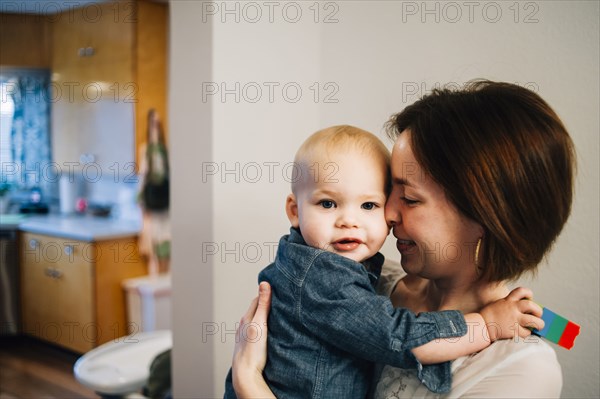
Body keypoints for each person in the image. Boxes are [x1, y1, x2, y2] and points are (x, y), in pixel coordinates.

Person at [230, 81, 574, 398]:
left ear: (484, 215)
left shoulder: (521, 368)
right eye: (388, 192)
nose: (388, 213)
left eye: (408, 198)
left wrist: (249, 381)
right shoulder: (366, 281)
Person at [138, 109, 171, 276]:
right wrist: (140, 199)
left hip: (165, 203)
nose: (155, 129)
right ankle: (155, 280)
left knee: (166, 245)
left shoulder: (165, 151)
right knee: (153, 246)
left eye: (158, 125)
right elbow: (143, 175)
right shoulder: (146, 150)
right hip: (151, 202)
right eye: (153, 125)